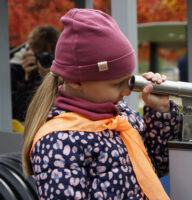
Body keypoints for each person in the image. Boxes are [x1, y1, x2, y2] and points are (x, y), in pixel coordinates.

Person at [22, 9, 180, 200]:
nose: (127, 91)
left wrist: (160, 112)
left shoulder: (122, 116)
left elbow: (158, 166)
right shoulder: (59, 140)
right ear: (76, 82)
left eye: (129, 80)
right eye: (117, 84)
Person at [10, 25, 60, 121]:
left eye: (50, 56)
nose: (45, 60)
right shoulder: (15, 68)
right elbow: (17, 114)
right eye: (41, 55)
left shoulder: (61, 69)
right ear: (30, 50)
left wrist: (53, 77)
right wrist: (27, 79)